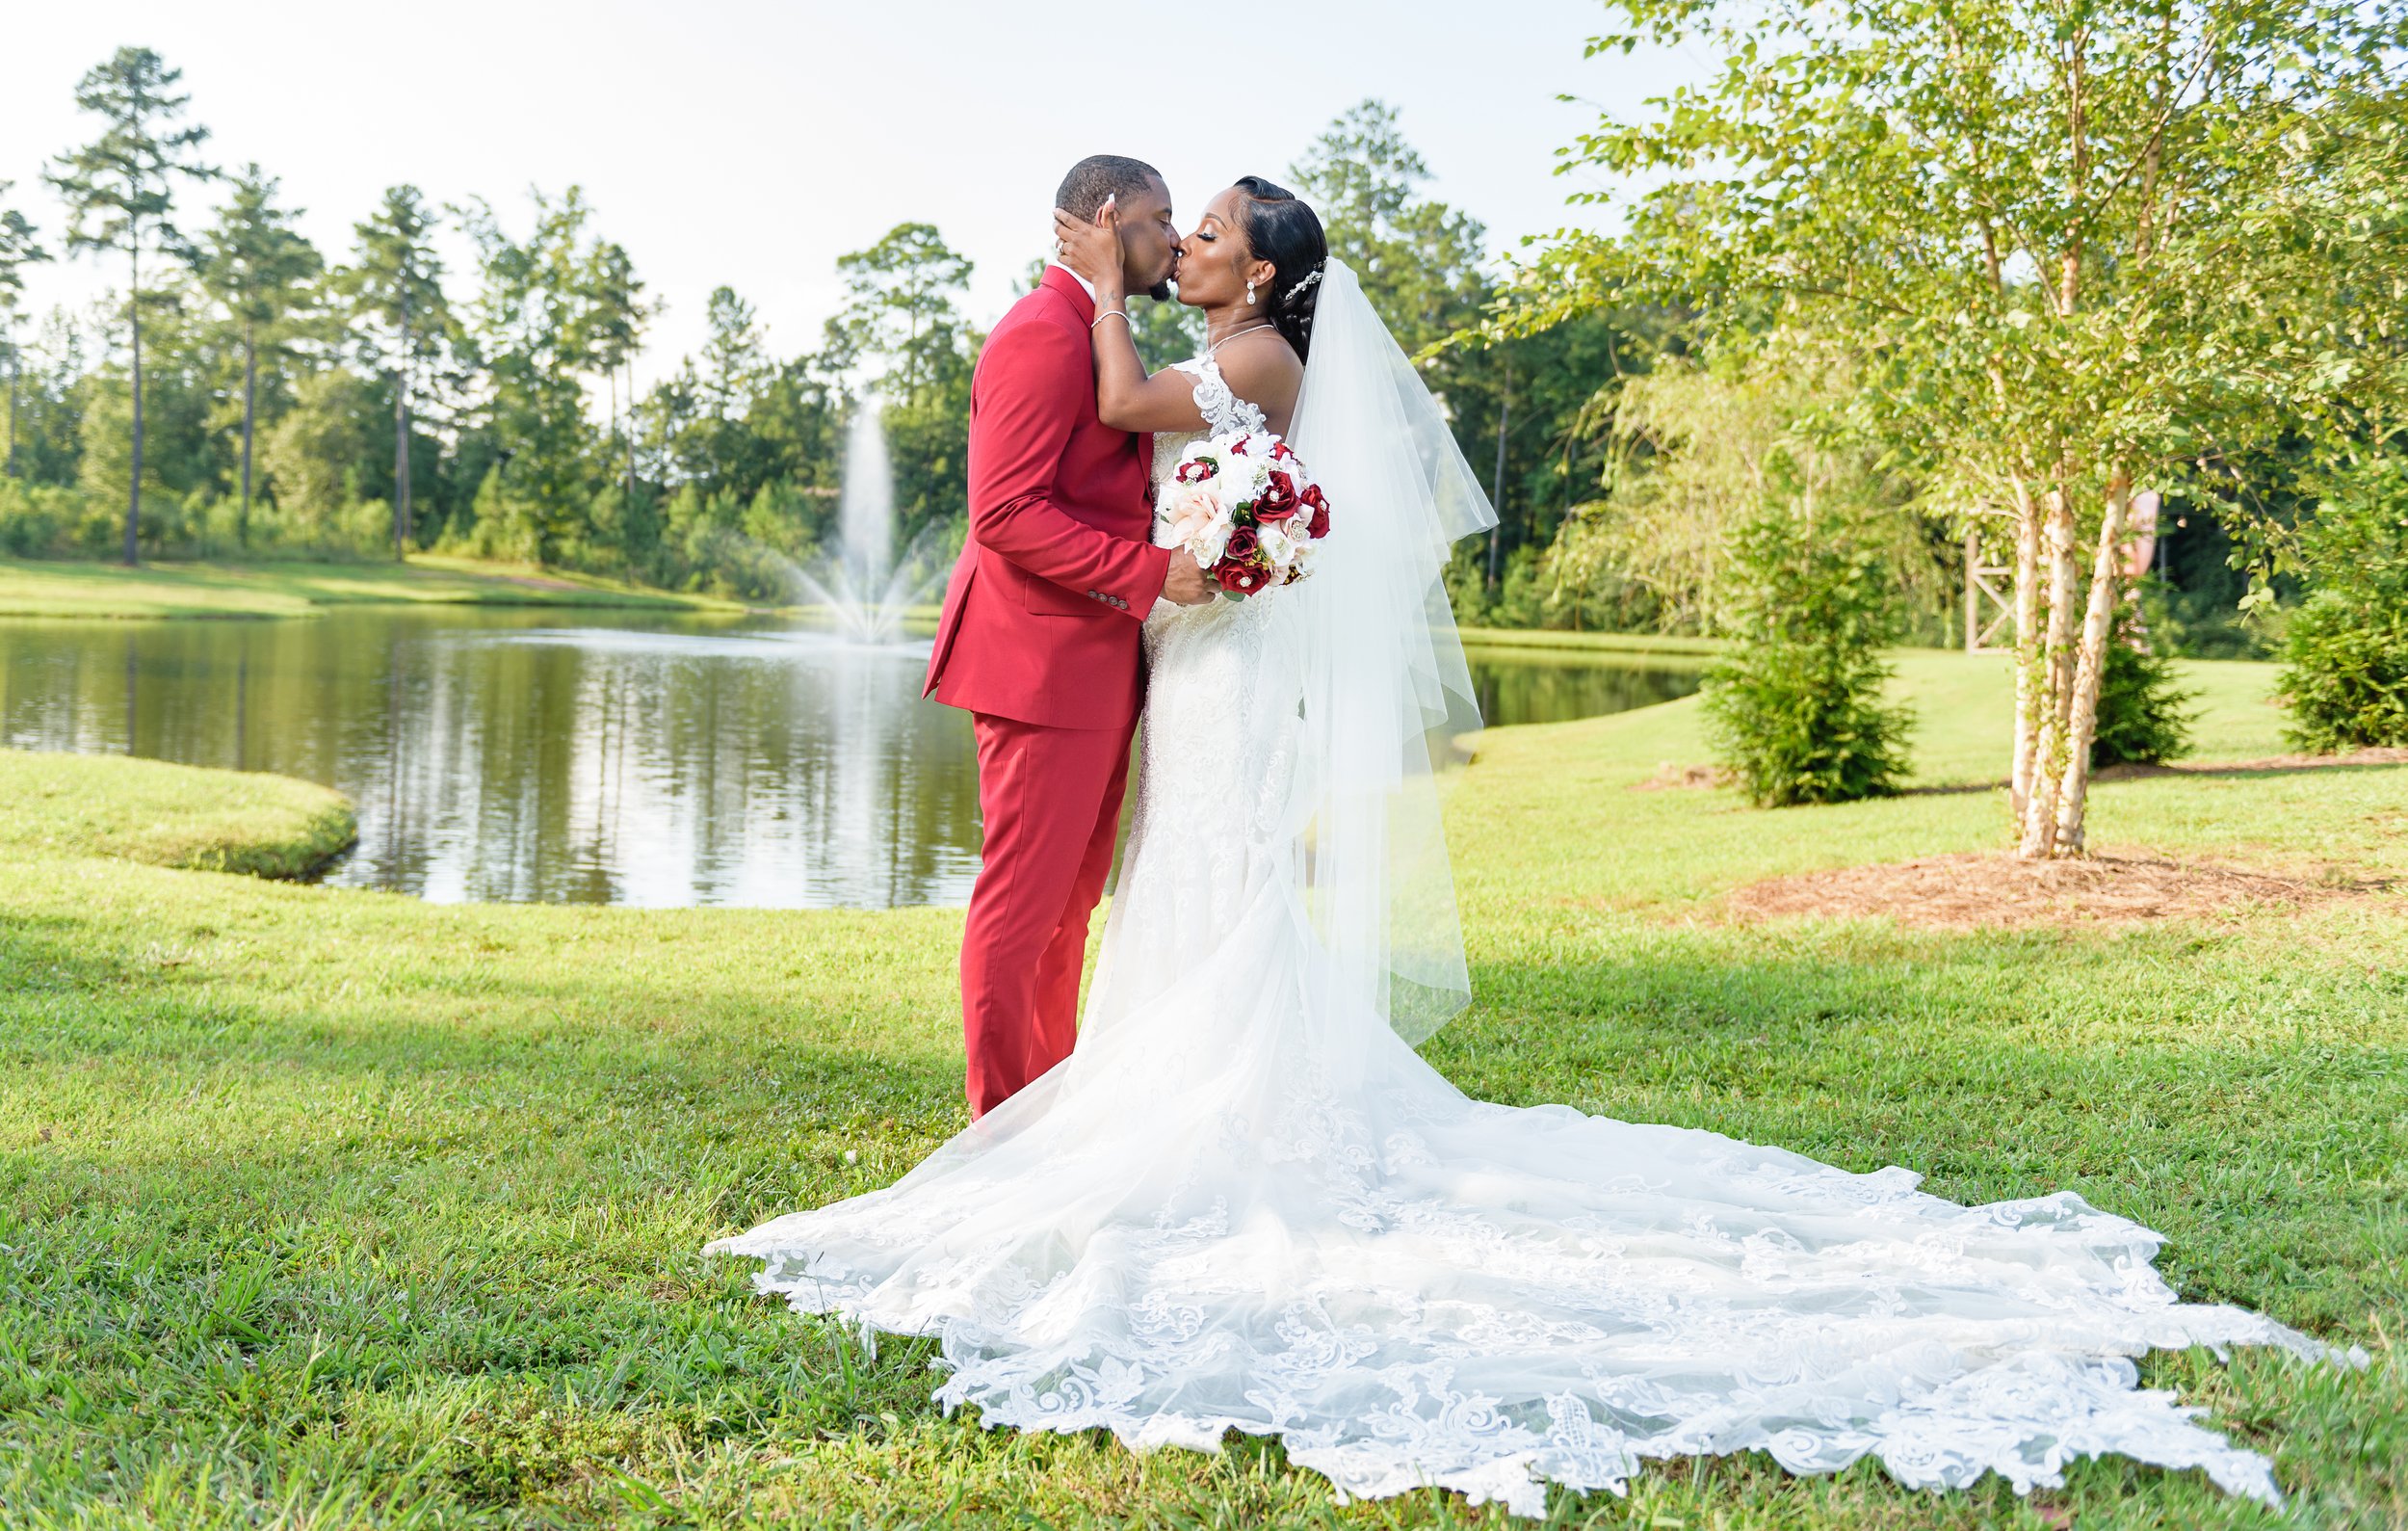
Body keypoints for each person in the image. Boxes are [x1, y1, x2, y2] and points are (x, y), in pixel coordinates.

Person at [713, 176, 2343, 1518]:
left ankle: (1135, 1122)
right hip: (1159, 661)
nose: (1179, 245)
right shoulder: (1090, 334)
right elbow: (1064, 484)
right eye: (1167, 227)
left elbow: (1136, 413)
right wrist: (1155, 484)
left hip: (1189, 654)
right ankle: (1077, 1114)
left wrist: (1114, 337)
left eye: (1198, 231)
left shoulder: (1239, 355)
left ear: (1252, 266)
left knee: (1190, 889)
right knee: (1137, 894)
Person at [917, 153, 1215, 1121]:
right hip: (1035, 666)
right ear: (1108, 216)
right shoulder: (1041, 334)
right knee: (1023, 905)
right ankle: (997, 1123)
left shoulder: (1088, 326)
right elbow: (1002, 511)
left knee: (1065, 909)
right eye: (1162, 218)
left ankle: (1041, 1108)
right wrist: (1151, 573)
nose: (1174, 240)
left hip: (1092, 665)